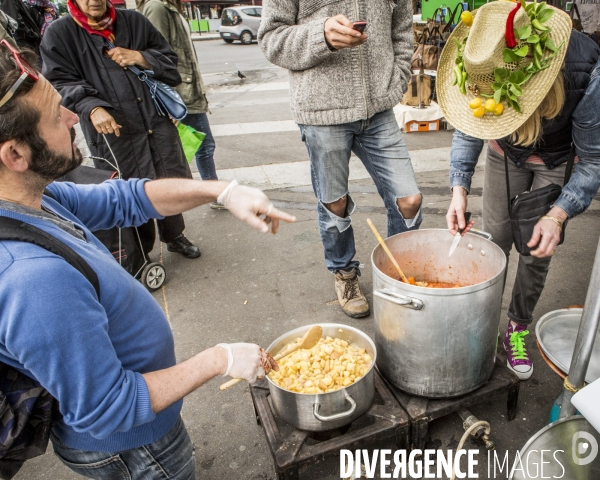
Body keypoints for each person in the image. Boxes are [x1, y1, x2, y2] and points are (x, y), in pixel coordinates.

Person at [0, 43, 296, 479]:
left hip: (146, 425)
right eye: (56, 115)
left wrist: (220, 191)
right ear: (15, 155)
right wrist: (218, 359)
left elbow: (124, 198)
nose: (72, 118)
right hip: (132, 446)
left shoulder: (31, 199)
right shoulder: (32, 280)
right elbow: (107, 409)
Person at [437, 2, 600, 380]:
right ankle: (482, 320)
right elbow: (469, 124)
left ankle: (518, 325)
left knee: (535, 249)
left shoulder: (586, 70)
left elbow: (593, 161)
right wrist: (459, 187)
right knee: (494, 241)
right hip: (501, 155)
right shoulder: (484, 55)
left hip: (556, 160)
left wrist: (557, 215)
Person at [259, 0, 422, 319]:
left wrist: (397, 79)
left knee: (410, 201)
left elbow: (402, 30)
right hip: (321, 112)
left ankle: (396, 279)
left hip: (379, 111)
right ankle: (345, 274)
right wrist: (320, 36)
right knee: (335, 204)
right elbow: (271, 39)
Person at [40, 0, 203, 259]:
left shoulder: (134, 21)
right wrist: (91, 106)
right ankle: (138, 252)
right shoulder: (60, 33)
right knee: (127, 189)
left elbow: (171, 62)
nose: (94, 1)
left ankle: (174, 235)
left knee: (166, 179)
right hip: (114, 131)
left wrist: (142, 57)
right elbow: (59, 80)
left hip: (154, 121)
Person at [139, 0, 225, 209]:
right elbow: (156, 58)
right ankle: (206, 194)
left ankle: (183, 193)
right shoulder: (157, 7)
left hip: (187, 89)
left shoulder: (169, 7)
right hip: (180, 93)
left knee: (192, 145)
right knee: (200, 145)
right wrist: (166, 100)